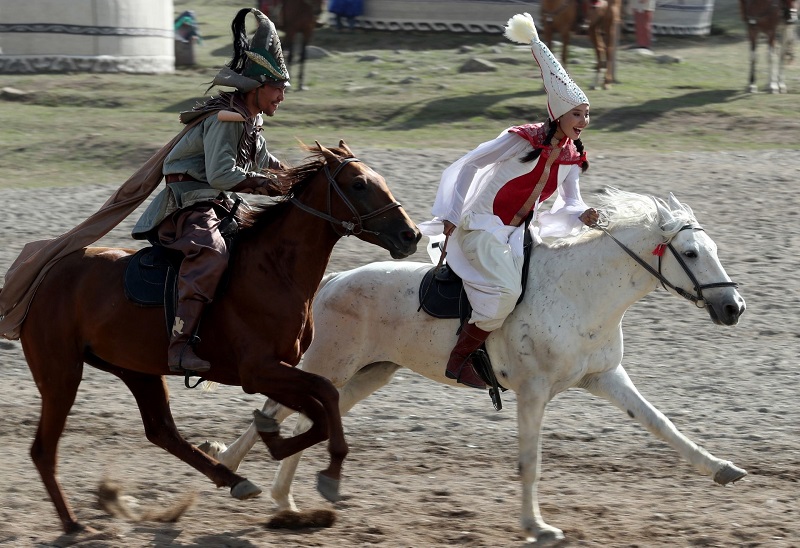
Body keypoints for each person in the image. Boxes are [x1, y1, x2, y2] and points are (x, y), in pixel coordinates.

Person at [419, 12, 599, 390]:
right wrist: (453, 213)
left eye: (586, 114)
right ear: (559, 113)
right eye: (577, 113)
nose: (583, 120)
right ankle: (458, 359)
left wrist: (585, 214)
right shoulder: (524, 138)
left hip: (517, 236)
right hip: (482, 226)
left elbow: (570, 202)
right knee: (507, 294)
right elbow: (471, 165)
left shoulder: (572, 155)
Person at [131, 7, 290, 374]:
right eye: (278, 89)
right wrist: (264, 184)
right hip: (188, 201)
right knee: (212, 255)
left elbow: (265, 160)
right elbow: (221, 175)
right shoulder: (226, 118)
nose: (282, 96)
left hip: (218, 200)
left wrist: (298, 176)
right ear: (258, 87)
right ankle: (180, 345)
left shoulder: (251, 118)